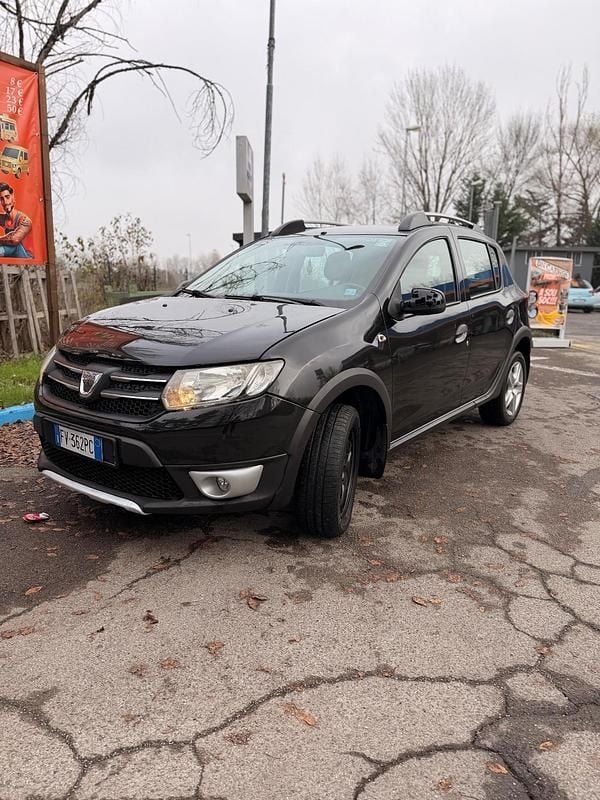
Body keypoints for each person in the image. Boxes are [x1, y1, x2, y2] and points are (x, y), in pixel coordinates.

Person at [0, 182, 32, 259]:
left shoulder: (24, 220)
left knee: (16, 245)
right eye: (1, 199)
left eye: (7, 197)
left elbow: (15, 240)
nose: (5, 202)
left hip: (27, 261)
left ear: (12, 197)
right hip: (12, 258)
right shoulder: (3, 218)